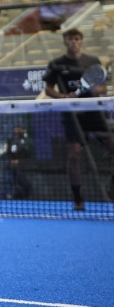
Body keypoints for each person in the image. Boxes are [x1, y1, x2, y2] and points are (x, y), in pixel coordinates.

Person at [43, 28, 114, 210]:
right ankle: (78, 199)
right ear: (64, 41)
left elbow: (103, 89)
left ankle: (111, 187)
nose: (73, 42)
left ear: (81, 41)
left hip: (94, 113)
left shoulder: (92, 61)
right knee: (74, 155)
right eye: (70, 39)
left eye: (76, 39)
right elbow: (48, 89)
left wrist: (88, 91)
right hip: (72, 115)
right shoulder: (56, 64)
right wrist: (63, 98)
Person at [0, 125, 34, 200]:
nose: (18, 130)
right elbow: (9, 152)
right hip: (13, 166)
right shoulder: (11, 141)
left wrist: (20, 161)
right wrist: (12, 160)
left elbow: (28, 153)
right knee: (14, 179)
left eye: (19, 128)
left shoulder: (27, 141)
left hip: (25, 166)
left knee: (24, 181)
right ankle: (13, 194)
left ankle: (26, 195)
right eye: (16, 128)